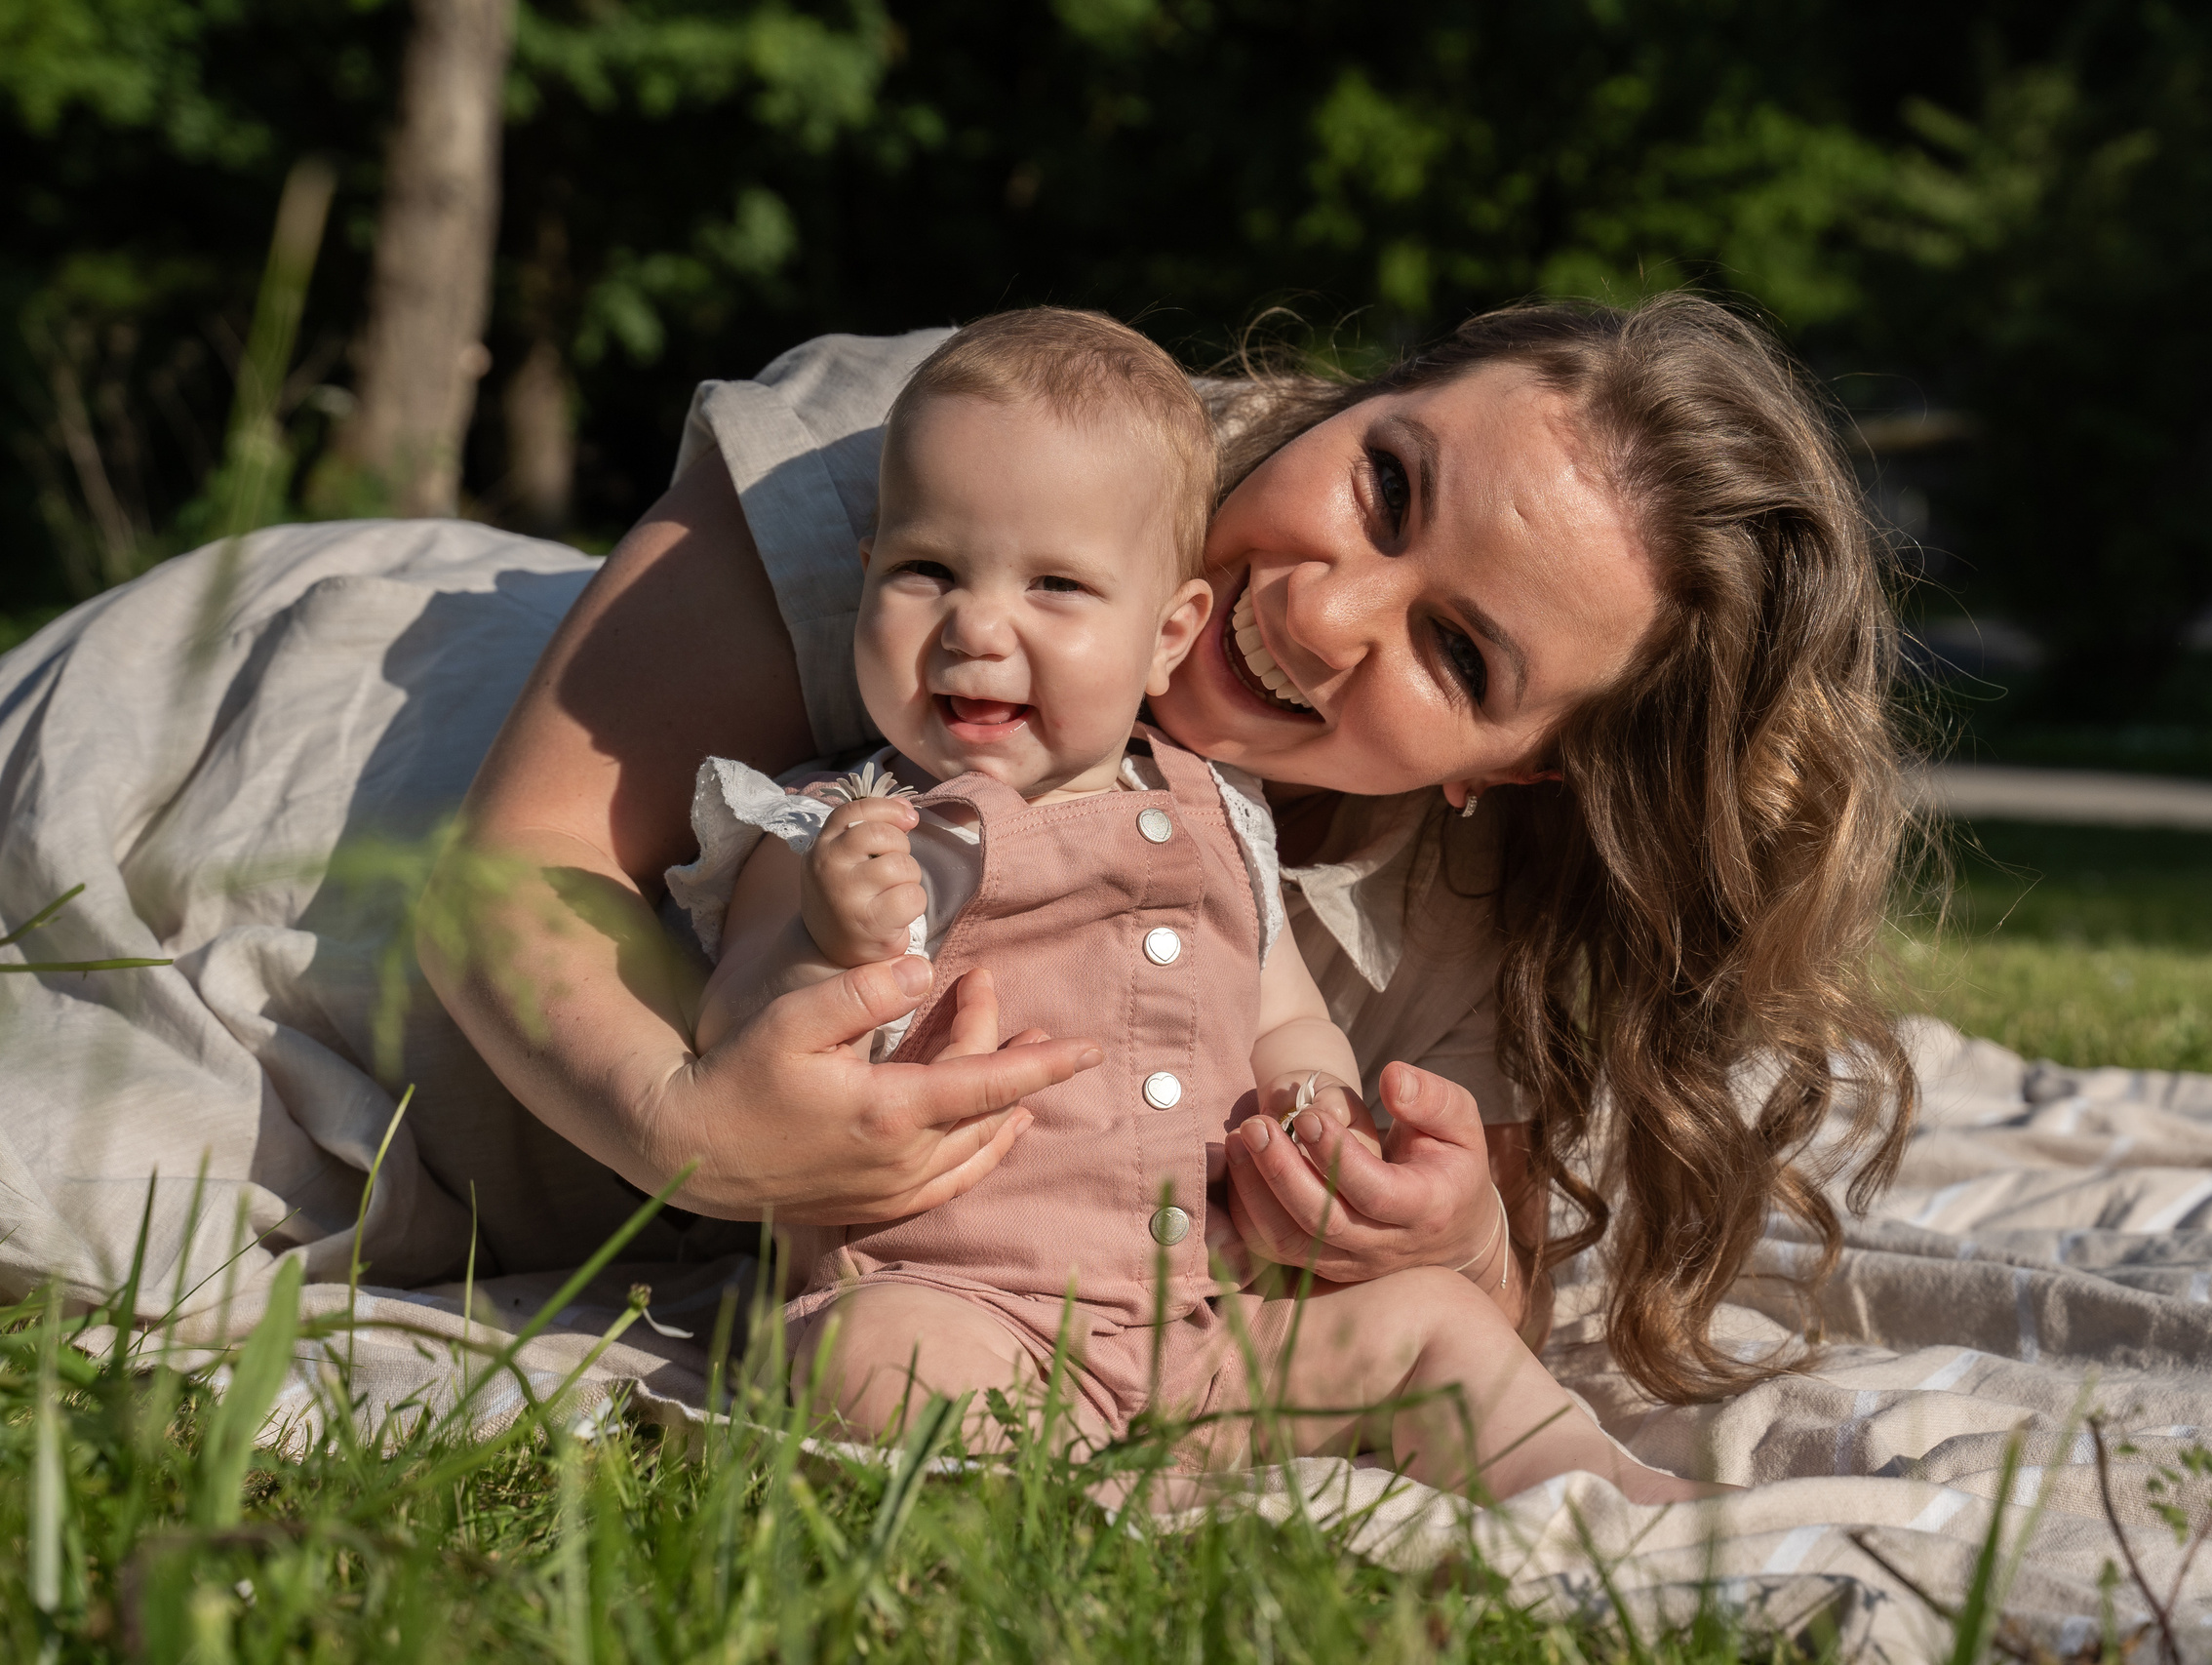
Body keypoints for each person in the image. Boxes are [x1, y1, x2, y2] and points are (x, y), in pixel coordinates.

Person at [420, 292, 1917, 1419]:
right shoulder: (975, 469)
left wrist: (1441, 1237)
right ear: (1355, 397)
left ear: (1516, 767)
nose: (1327, 615)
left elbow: (1491, 1284)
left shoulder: (1461, 880)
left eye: (1458, 654)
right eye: (1387, 485)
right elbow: (518, 858)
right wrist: (688, 1117)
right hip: (428, 762)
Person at [673, 308, 1718, 1501]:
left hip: (1196, 1340)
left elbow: (1283, 1016)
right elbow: (733, 1050)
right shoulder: (832, 825)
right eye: (928, 573)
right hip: (962, 1303)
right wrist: (828, 944)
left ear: (1167, 633)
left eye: (1057, 587)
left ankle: (1605, 1494)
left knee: (1434, 1324)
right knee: (872, 1354)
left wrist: (1322, 1113)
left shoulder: (1223, 822)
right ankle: (1065, 1495)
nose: (976, 626)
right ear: (864, 576)